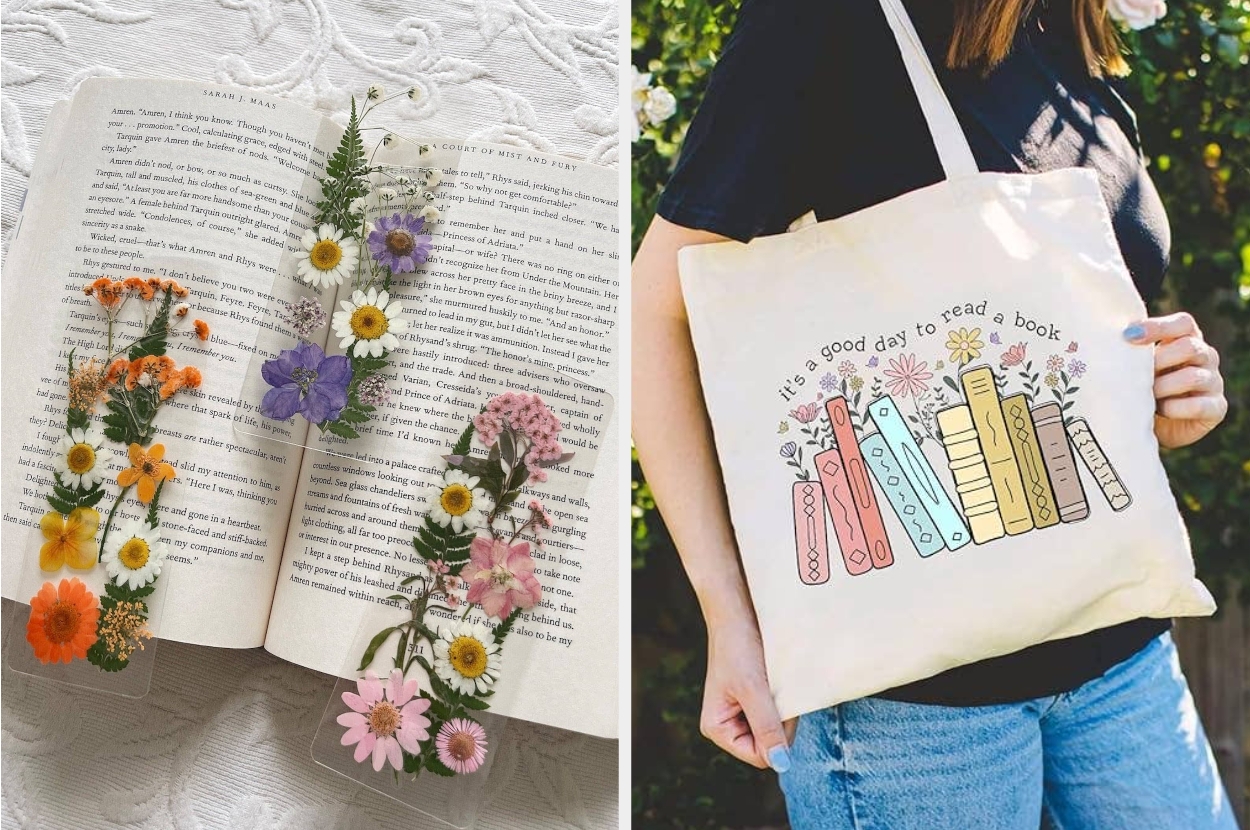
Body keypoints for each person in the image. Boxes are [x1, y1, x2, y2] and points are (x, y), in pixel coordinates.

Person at [630, 0, 1234, 827]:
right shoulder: (822, 25)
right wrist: (727, 614)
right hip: (911, 706)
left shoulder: (1065, 25)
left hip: (1116, 638)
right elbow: (651, 314)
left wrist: (1163, 397)